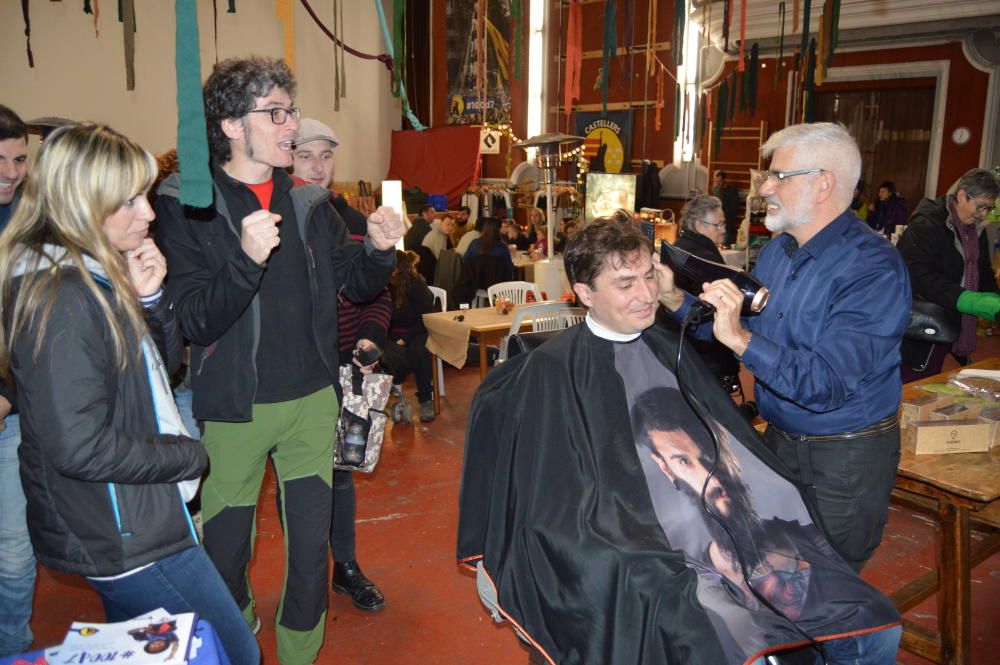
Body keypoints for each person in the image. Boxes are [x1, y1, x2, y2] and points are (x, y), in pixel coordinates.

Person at [458, 218, 901, 665]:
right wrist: (637, 543)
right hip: (638, 546)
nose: (646, 294)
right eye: (626, 283)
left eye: (649, 276)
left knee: (872, 630)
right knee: (704, 630)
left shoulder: (667, 344)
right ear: (585, 293)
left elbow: (731, 442)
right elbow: (550, 512)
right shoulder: (551, 372)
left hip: (729, 527)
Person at [154, 56, 401, 665]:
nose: (291, 126)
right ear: (232, 125)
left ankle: (298, 651)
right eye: (276, 113)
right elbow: (194, 319)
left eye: (290, 110)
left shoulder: (311, 202)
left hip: (313, 400)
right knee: (228, 548)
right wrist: (244, 260)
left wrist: (376, 248)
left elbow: (355, 284)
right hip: (236, 408)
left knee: (310, 544)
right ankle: (237, 632)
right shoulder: (190, 204)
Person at [0, 123, 259, 664]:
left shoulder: (91, 274)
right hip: (123, 528)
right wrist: (186, 455)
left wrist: (151, 301)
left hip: (131, 512)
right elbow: (77, 444)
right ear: (82, 203)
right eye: (130, 200)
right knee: (236, 653)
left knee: (150, 654)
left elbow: (154, 376)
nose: (148, 212)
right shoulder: (62, 297)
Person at [660, 122, 911, 572]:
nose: (765, 188)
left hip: (843, 458)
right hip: (778, 442)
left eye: (779, 177)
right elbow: (735, 331)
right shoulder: (779, 253)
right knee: (774, 571)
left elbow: (826, 384)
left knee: (829, 587)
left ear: (823, 185)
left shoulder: (873, 269)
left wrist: (741, 338)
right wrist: (676, 300)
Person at [292, 117, 389, 612]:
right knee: (290, 480)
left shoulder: (352, 223)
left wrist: (371, 335)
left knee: (341, 473)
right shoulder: (274, 220)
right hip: (287, 373)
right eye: (305, 155)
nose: (316, 167)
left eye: (325, 156)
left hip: (342, 371)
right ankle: (297, 577)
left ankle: (345, 567)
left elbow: (377, 293)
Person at [896, 168, 1000, 380]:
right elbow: (916, 275)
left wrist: (994, 300)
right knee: (916, 387)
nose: (983, 214)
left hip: (955, 325)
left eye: (988, 208)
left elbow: (982, 271)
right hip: (925, 325)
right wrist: (965, 299)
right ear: (962, 195)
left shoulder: (975, 229)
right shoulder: (927, 223)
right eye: (980, 206)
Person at [0, 105, 34, 658]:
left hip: (10, 414)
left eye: (20, 158)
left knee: (13, 552)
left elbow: (35, 329)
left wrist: (7, 396)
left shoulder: (32, 224)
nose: (9, 172)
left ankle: (11, 645)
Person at [670, 195, 741, 392]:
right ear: (698, 225)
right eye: (717, 225)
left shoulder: (679, 248)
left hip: (679, 347)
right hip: (702, 354)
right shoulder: (705, 260)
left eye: (724, 224)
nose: (724, 230)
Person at [383, 250, 437, 422]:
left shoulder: (416, 286)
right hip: (393, 334)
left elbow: (427, 318)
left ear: (398, 270)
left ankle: (425, 399)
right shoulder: (385, 287)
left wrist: (404, 338)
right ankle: (393, 395)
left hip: (418, 330)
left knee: (420, 350)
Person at [712, 170, 741, 246]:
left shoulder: (732, 191)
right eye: (716, 181)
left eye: (719, 181)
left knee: (727, 244)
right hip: (717, 222)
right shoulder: (715, 190)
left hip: (728, 222)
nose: (718, 183)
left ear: (724, 180)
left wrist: (726, 217)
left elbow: (735, 207)